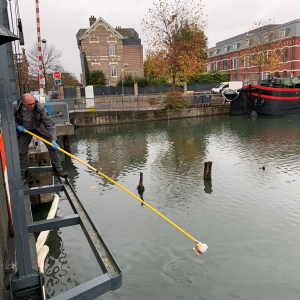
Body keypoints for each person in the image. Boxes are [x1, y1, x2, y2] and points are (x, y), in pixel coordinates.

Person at [14, 93, 68, 184]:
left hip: (39, 128)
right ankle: (23, 175)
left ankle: (58, 170)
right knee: (22, 151)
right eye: (29, 104)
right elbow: (9, 119)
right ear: (23, 103)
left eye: (33, 103)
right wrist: (17, 126)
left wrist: (53, 140)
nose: (32, 106)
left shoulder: (39, 107)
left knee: (52, 147)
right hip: (24, 130)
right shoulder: (16, 106)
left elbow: (50, 124)